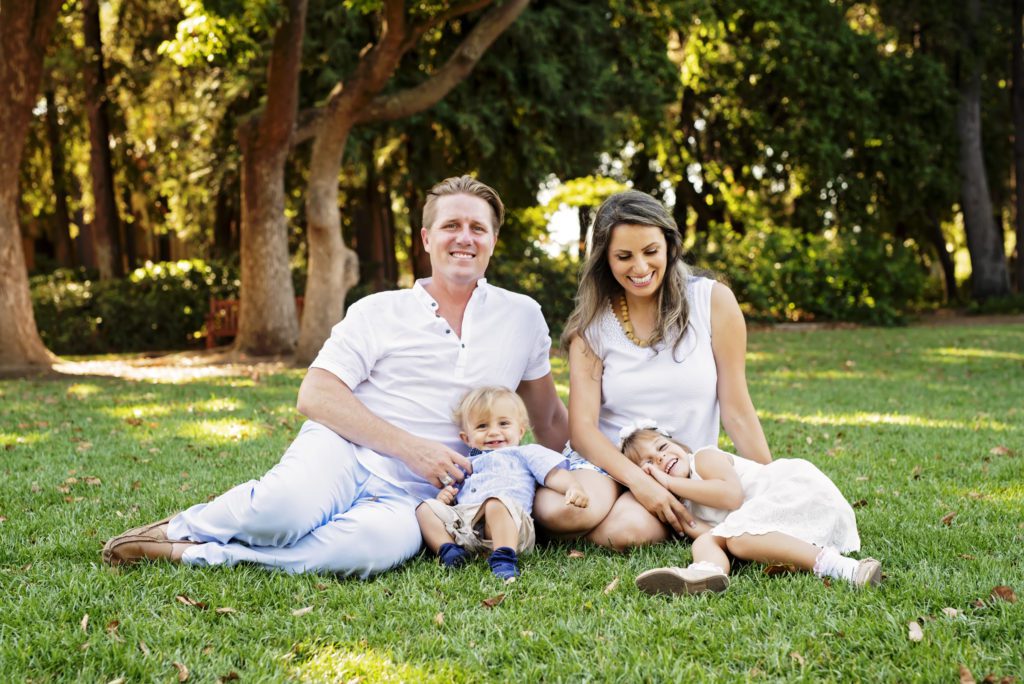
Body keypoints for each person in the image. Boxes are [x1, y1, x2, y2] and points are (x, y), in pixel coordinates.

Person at [102, 175, 569, 578]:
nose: (464, 237)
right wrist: (410, 448)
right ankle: (177, 528)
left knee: (364, 552)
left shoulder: (523, 316)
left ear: (492, 240)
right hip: (344, 450)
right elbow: (315, 393)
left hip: (422, 498)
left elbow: (547, 417)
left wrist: (604, 476)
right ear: (427, 238)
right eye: (451, 226)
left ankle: (201, 555)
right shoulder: (378, 309)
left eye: (477, 228)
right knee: (281, 513)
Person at [533, 190, 772, 549]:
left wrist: (770, 484)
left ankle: (621, 512)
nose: (640, 268)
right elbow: (582, 431)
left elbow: (737, 409)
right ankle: (601, 505)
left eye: (650, 252)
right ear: (605, 260)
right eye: (624, 256)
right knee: (559, 512)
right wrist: (638, 482)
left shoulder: (712, 301)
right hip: (608, 463)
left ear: (669, 246)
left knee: (625, 531)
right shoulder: (591, 328)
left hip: (677, 466)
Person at [620, 422, 881, 594]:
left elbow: (731, 497)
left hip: (795, 493)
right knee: (705, 542)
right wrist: (681, 511)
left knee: (737, 540)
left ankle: (846, 568)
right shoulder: (684, 498)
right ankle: (706, 574)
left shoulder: (703, 459)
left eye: (663, 447)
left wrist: (668, 481)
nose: (661, 458)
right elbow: (713, 532)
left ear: (679, 446)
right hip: (767, 521)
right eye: (650, 464)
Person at [417, 386, 589, 580]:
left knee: (496, 503)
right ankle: (449, 551)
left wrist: (573, 487)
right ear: (466, 438)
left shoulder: (525, 453)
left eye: (504, 424)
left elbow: (554, 474)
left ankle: (504, 558)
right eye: (482, 426)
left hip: (512, 524)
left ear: (520, 430)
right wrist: (444, 499)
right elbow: (453, 492)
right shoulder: (466, 462)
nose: (493, 432)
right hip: (468, 527)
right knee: (425, 508)